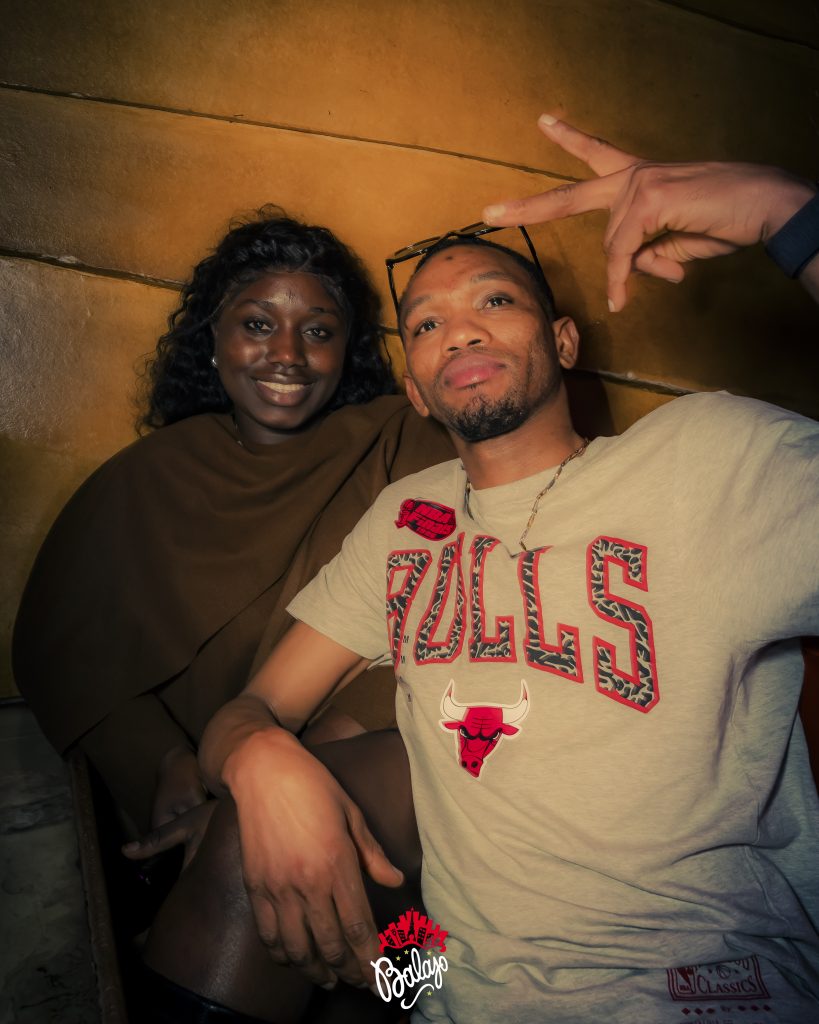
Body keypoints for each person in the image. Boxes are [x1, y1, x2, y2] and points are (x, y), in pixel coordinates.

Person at [190, 120, 819, 1024]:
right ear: (415, 389)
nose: (460, 331)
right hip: (455, 994)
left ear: (562, 341)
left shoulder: (704, 457)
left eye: (494, 300)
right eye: (427, 323)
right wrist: (260, 759)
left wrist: (787, 216)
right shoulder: (406, 521)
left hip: (702, 986)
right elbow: (250, 710)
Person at [12, 211, 451, 872]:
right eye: (257, 325)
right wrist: (164, 762)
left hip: (366, 780)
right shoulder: (145, 476)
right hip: (186, 812)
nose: (288, 355)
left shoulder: (399, 438)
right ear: (213, 340)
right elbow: (62, 647)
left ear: (347, 350)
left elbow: (458, 608)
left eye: (318, 331)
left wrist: (292, 774)